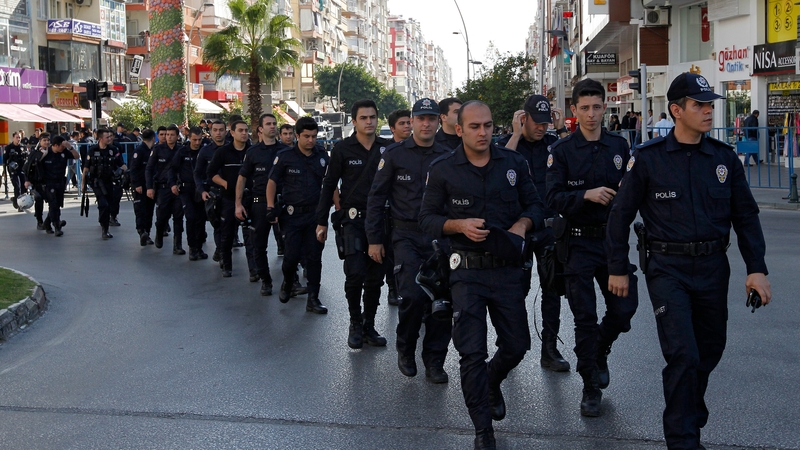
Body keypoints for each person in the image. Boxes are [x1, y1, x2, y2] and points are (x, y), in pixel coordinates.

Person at [606, 72, 772, 450]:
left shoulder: (723, 158)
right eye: (699, 105)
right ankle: (682, 439)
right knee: (683, 353)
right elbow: (620, 215)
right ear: (676, 110)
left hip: (713, 268)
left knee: (709, 350)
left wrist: (756, 268)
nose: (708, 112)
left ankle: (688, 410)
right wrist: (618, 267)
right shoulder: (647, 159)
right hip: (668, 269)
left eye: (710, 105)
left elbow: (745, 217)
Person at [419, 100, 547, 449]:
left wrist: (522, 225)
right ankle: (482, 430)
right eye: (474, 127)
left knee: (518, 345)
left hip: (506, 272)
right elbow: (426, 219)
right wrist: (457, 224)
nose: (483, 133)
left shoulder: (513, 162)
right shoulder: (443, 168)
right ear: (459, 130)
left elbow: (536, 205)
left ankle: (492, 382)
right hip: (466, 273)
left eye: (488, 126)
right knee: (471, 352)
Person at [545, 78, 639, 417]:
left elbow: (632, 192)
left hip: (612, 242)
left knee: (624, 310)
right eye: (584, 108)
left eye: (597, 107)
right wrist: (585, 194)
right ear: (574, 110)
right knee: (584, 317)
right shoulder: (562, 151)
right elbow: (551, 198)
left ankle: (599, 351)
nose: (591, 114)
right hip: (578, 243)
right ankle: (590, 386)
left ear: (605, 107)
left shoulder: (619, 147)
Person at [366, 98, 452, 383]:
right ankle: (406, 349)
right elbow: (376, 199)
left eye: (431, 118)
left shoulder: (448, 154)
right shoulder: (394, 154)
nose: (426, 123)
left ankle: (435, 362)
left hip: (440, 236)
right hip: (406, 236)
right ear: (411, 121)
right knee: (414, 297)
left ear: (438, 121)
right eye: (420, 118)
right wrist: (374, 240)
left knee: (442, 302)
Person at [497, 94, 570, 372]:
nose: (542, 128)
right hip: (521, 227)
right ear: (523, 119)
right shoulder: (508, 144)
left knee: (553, 289)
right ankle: (508, 344)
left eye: (546, 123)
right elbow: (503, 165)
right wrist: (516, 134)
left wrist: (561, 129)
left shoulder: (553, 143)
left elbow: (570, 153)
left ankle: (549, 349)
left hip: (550, 227)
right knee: (516, 289)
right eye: (536, 123)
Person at [316, 99, 390, 349]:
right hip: (353, 221)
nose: (369, 122)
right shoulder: (342, 149)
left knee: (375, 278)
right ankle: (355, 323)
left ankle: (369, 325)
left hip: (380, 222)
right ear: (354, 121)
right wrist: (321, 222)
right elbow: (329, 184)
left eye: (372, 117)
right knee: (355, 273)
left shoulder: (387, 149)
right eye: (363, 118)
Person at [267, 117, 329, 314]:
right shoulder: (285, 156)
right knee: (291, 257)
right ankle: (287, 282)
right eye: (306, 136)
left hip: (315, 215)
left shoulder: (322, 155)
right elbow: (272, 182)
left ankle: (313, 298)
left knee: (314, 258)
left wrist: (338, 206)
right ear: (297, 136)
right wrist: (270, 206)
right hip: (292, 216)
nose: (311, 140)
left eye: (313, 136)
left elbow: (330, 183)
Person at [235, 114, 288, 294]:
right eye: (268, 124)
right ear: (260, 129)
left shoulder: (285, 150)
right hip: (259, 204)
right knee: (259, 245)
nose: (272, 127)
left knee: (290, 244)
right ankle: (266, 280)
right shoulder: (253, 152)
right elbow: (242, 178)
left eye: (274, 124)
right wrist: (238, 204)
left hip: (283, 203)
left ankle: (291, 281)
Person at [208, 120, 250, 277]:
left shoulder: (252, 151)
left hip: (249, 198)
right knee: (227, 233)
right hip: (228, 199)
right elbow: (211, 173)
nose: (244, 133)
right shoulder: (223, 152)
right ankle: (226, 265)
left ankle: (254, 270)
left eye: (246, 130)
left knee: (250, 235)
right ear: (232, 133)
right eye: (240, 130)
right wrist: (226, 184)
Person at [26, 136, 79, 236]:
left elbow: (77, 156)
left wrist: (70, 147)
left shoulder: (64, 152)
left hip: (60, 182)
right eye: (61, 147)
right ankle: (57, 226)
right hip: (48, 183)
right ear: (55, 145)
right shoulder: (45, 153)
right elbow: (31, 166)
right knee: (53, 204)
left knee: (57, 204)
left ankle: (47, 223)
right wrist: (28, 181)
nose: (63, 149)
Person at [170, 126, 208, 261]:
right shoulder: (182, 152)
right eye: (194, 139)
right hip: (186, 190)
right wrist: (173, 184)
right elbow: (172, 169)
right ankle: (192, 248)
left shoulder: (205, 151)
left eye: (199, 139)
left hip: (201, 189)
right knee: (191, 218)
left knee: (201, 219)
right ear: (189, 138)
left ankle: (199, 247)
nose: (197, 142)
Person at [146, 125, 185, 253]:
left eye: (172, 135)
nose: (169, 137)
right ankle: (159, 233)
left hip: (178, 188)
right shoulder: (158, 150)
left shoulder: (181, 150)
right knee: (162, 215)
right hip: (163, 188)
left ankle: (177, 246)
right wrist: (149, 187)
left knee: (178, 217)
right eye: (167, 134)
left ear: (177, 136)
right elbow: (149, 169)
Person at [82, 128, 126, 239]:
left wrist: (128, 173)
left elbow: (121, 164)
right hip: (96, 182)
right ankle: (104, 228)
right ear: (100, 138)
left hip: (110, 182)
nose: (110, 138)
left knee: (109, 204)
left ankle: (105, 221)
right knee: (103, 204)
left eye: (111, 136)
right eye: (107, 137)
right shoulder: (92, 150)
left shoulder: (113, 149)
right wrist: (83, 184)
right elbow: (86, 168)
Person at [195, 120, 226, 262]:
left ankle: (224, 251)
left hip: (231, 192)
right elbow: (197, 173)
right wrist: (202, 190)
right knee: (218, 225)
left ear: (226, 131)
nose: (218, 133)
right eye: (215, 130)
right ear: (211, 132)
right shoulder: (205, 151)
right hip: (213, 192)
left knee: (230, 227)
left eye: (221, 130)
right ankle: (221, 251)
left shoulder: (232, 148)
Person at [130, 129, 157, 246]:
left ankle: (147, 233)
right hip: (141, 186)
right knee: (140, 210)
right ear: (153, 138)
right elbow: (134, 169)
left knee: (149, 210)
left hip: (150, 185)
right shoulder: (140, 150)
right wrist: (136, 184)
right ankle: (142, 232)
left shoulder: (153, 150)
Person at [22, 133, 49, 229]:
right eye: (44, 140)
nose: (46, 142)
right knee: (39, 200)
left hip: (49, 181)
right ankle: (39, 221)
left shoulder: (51, 152)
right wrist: (27, 180)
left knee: (53, 202)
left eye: (47, 140)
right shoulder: (35, 153)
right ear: (40, 142)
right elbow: (27, 167)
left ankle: (52, 221)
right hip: (37, 181)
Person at [4, 132, 27, 211]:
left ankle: (16, 200)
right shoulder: (9, 148)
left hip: (22, 169)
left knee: (24, 187)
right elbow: (5, 160)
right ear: (13, 138)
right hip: (13, 170)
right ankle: (19, 205)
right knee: (17, 186)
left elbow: (27, 158)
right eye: (17, 137)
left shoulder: (23, 147)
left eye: (19, 137)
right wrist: (4, 171)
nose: (18, 139)